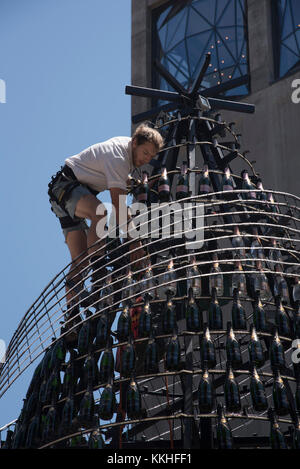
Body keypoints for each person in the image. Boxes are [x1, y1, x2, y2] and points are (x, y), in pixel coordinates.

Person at [47, 123, 164, 322]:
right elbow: (118, 205)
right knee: (101, 215)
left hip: (63, 193)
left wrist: (132, 183)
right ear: (135, 142)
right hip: (68, 188)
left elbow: (110, 173)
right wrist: (134, 241)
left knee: (80, 260)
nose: (146, 159)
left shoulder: (123, 149)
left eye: (151, 156)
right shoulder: (119, 157)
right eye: (145, 152)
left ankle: (71, 318)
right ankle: (99, 275)